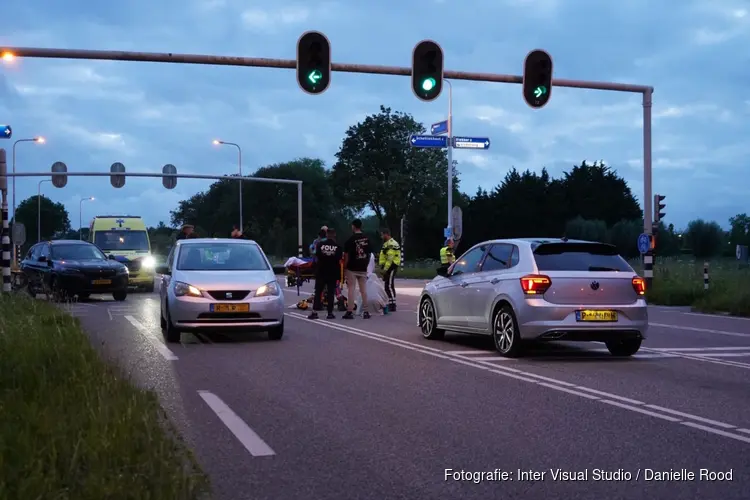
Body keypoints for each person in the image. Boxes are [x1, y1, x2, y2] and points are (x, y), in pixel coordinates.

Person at [309, 229, 342, 320]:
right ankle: (330, 313)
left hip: (321, 272)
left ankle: (314, 312)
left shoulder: (320, 245)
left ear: (327, 234)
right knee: (331, 293)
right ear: (334, 234)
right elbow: (339, 258)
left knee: (318, 292)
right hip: (332, 272)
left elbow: (317, 256)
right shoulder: (338, 246)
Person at [342, 219, 372, 320]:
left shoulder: (350, 240)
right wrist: (366, 264)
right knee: (363, 290)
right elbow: (369, 254)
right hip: (363, 267)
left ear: (353, 226)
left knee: (351, 289)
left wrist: (345, 267)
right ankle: (366, 311)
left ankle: (349, 311)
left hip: (352, 267)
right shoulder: (367, 239)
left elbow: (346, 255)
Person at [378, 228, 401, 312]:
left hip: (391, 266)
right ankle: (391, 302)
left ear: (386, 234)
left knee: (389, 285)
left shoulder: (391, 244)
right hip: (388, 266)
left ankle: (393, 304)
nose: (381, 236)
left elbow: (390, 258)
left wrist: (385, 269)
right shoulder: (387, 244)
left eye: (382, 235)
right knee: (387, 285)